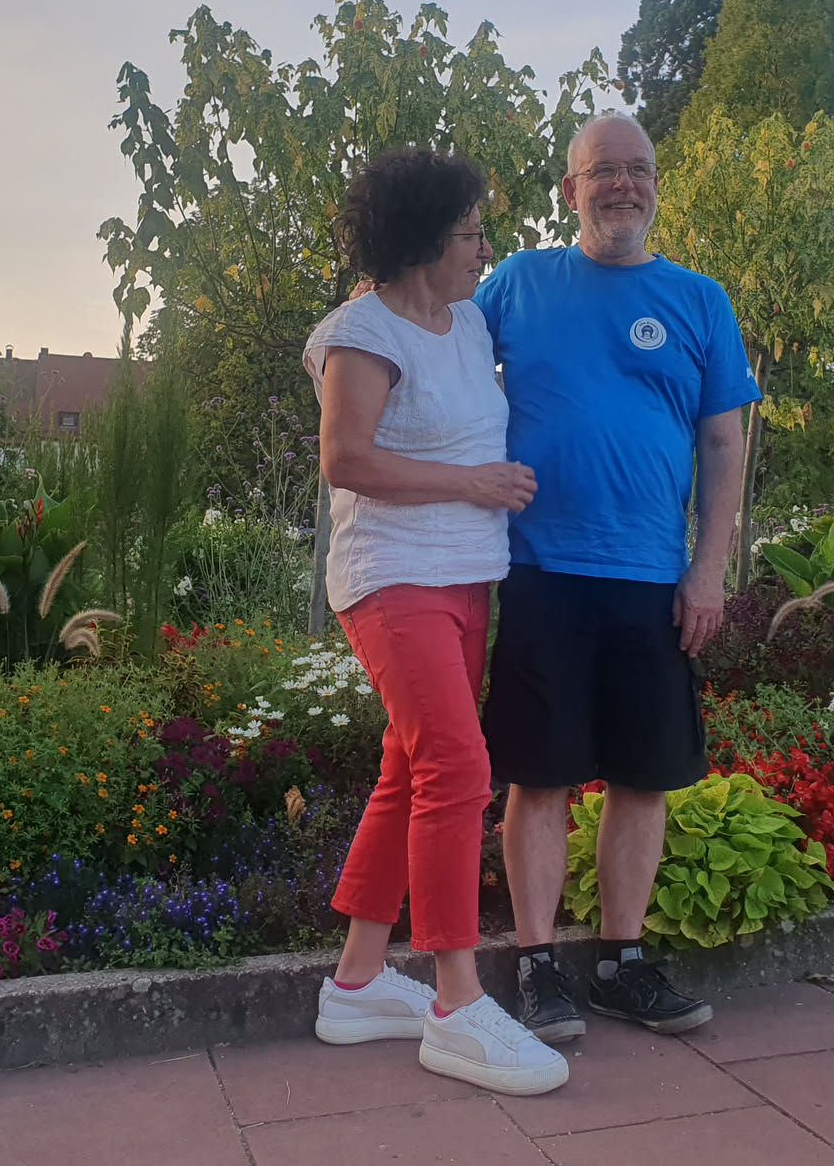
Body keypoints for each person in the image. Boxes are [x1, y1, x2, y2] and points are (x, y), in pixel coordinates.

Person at [474, 111, 757, 1042]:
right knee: (540, 778)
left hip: (652, 581)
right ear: (572, 189)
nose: (623, 185)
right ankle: (536, 966)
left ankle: (621, 966)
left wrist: (707, 572)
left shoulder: (699, 301)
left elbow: (724, 445)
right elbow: (436, 348)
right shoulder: (518, 283)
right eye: (604, 171)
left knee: (643, 778)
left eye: (639, 169)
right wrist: (380, 297)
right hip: (540, 570)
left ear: (656, 185)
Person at [304, 149, 568, 1097]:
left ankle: (357, 981)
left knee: (409, 768)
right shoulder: (362, 331)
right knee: (458, 768)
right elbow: (346, 459)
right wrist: (474, 484)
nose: (482, 249)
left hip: (466, 578)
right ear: (422, 241)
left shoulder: (467, 322)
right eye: (469, 234)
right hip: (392, 578)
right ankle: (458, 1003)